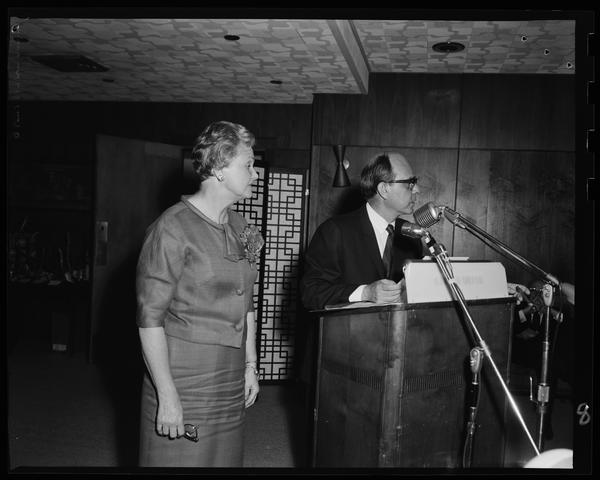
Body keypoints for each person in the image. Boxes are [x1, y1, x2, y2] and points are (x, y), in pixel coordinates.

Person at [136, 121, 263, 467]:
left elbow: (246, 302)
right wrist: (167, 394)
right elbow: (149, 320)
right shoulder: (171, 228)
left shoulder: (241, 226)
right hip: (184, 375)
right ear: (220, 168)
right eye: (248, 165)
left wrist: (250, 365)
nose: (255, 174)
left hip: (230, 375)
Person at [301, 152, 423, 311]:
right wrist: (365, 293)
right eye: (410, 183)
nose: (417, 190)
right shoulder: (335, 231)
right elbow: (311, 293)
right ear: (384, 189)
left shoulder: (410, 234)